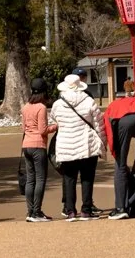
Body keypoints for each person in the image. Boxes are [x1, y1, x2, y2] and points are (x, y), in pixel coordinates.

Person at [52, 73, 105, 220]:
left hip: (65, 144)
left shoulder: (57, 104)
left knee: (69, 178)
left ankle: (70, 211)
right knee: (87, 178)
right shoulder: (89, 101)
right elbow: (98, 124)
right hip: (86, 143)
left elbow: (55, 120)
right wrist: (103, 144)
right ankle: (86, 210)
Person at [104, 78, 135, 218]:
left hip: (123, 121)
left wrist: (113, 150)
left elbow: (108, 125)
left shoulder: (115, 103)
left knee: (121, 165)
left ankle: (121, 208)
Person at [20, 79, 55, 222]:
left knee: (30, 180)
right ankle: (37, 212)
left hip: (26, 145)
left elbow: (23, 128)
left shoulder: (25, 107)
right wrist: (55, 126)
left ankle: (30, 211)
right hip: (38, 145)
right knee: (40, 179)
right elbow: (43, 130)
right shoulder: (41, 107)